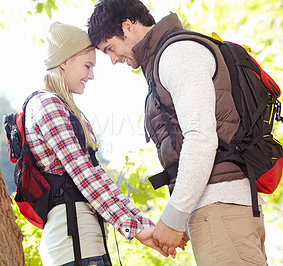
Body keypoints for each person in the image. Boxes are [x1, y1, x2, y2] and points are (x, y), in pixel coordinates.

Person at [87, 0, 268, 265]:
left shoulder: (176, 54)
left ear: (127, 26)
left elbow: (200, 139)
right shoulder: (170, 55)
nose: (113, 60)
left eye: (110, 49)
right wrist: (183, 216)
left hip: (220, 208)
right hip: (222, 210)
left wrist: (173, 217)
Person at [23, 21, 170, 266]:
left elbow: (96, 176)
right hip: (74, 252)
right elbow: (86, 177)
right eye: (87, 66)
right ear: (64, 61)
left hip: (85, 248)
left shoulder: (64, 109)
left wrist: (141, 224)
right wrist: (136, 229)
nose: (91, 75)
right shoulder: (47, 106)